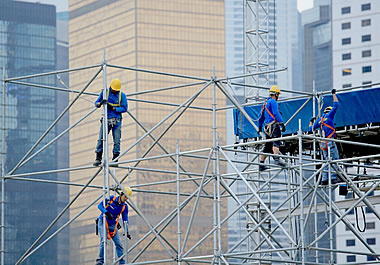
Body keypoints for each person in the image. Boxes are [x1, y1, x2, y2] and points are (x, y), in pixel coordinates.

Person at [94, 78, 128, 166]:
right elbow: (97, 102)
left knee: (116, 141)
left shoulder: (121, 95)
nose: (114, 92)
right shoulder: (105, 93)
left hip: (116, 121)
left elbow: (125, 108)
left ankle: (115, 159)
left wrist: (114, 109)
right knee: (101, 139)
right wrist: (99, 104)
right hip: (106, 119)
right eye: (114, 90)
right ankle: (98, 158)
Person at [309, 89, 340, 185]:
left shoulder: (320, 120)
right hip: (330, 141)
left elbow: (311, 129)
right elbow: (336, 105)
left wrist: (311, 121)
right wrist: (334, 94)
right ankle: (334, 178)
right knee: (334, 160)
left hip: (323, 144)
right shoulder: (329, 116)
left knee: (326, 161)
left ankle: (324, 179)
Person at [95, 188, 132, 265]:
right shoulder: (111, 199)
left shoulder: (124, 206)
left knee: (119, 244)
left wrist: (127, 231)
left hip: (112, 225)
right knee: (103, 240)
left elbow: (125, 219)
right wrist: (106, 212)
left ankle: (122, 262)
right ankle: (100, 261)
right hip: (103, 221)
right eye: (125, 197)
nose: (125, 199)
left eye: (127, 198)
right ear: (121, 194)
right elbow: (100, 205)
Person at [258, 85, 287, 171]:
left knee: (268, 146)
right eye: (278, 94)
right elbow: (275, 113)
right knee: (276, 141)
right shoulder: (273, 102)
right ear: (275, 94)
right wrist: (281, 123)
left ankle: (261, 164)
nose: (278, 96)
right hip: (274, 125)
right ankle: (277, 159)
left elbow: (260, 116)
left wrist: (259, 128)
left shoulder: (265, 103)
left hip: (266, 128)